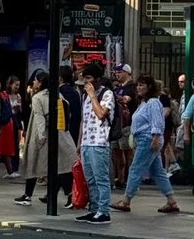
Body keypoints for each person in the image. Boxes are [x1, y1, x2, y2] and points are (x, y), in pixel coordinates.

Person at [112, 74, 180, 214]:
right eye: (138, 85)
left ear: (149, 87)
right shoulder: (144, 102)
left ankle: (126, 200)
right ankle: (171, 200)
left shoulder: (153, 102)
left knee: (135, 168)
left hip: (148, 139)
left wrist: (155, 138)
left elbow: (157, 121)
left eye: (142, 85)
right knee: (157, 171)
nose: (138, 88)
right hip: (145, 138)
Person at [13, 71, 76, 207]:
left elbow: (39, 117)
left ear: (41, 82)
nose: (34, 82)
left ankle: (28, 195)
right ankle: (68, 196)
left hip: (41, 135)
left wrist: (41, 135)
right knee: (61, 166)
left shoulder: (37, 97)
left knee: (33, 163)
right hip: (60, 133)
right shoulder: (57, 94)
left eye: (36, 80)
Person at [76, 61, 116, 225]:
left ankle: (103, 211)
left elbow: (101, 114)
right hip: (86, 141)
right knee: (90, 179)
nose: (86, 82)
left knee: (101, 178)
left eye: (89, 78)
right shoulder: (84, 96)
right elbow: (83, 120)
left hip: (99, 142)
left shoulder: (107, 94)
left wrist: (93, 96)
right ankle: (93, 209)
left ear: (98, 79)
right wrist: (79, 142)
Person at [111, 63, 136, 188]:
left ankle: (128, 178)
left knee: (127, 152)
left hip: (127, 124)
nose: (117, 74)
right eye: (116, 72)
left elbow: (126, 99)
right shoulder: (117, 87)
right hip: (117, 124)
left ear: (127, 73)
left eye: (120, 72)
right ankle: (120, 178)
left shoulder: (132, 87)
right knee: (117, 152)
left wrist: (112, 95)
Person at [0, 76, 22, 177]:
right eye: (15, 85)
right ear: (10, 84)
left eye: (18, 85)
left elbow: (20, 112)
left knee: (16, 145)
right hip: (6, 122)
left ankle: (15, 168)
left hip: (15, 121)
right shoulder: (3, 95)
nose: (17, 87)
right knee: (5, 144)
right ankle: (9, 168)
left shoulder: (18, 96)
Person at [58, 64, 82, 146]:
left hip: (63, 130)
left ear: (60, 79)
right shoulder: (76, 92)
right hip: (75, 129)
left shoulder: (59, 92)